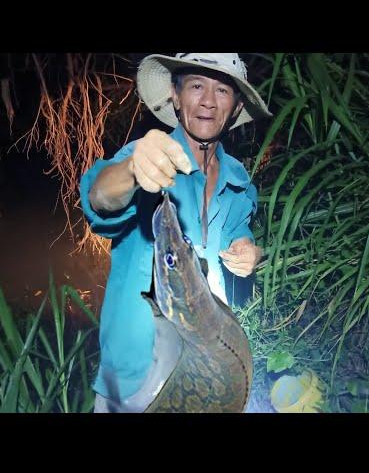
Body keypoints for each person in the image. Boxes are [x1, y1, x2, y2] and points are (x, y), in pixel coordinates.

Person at [79, 53, 272, 412]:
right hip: (136, 371)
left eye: (222, 90)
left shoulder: (237, 180)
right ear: (175, 94)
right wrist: (133, 171)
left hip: (211, 367)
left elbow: (237, 233)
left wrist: (249, 252)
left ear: (236, 106)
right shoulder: (145, 154)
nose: (209, 101)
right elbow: (100, 196)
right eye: (197, 85)